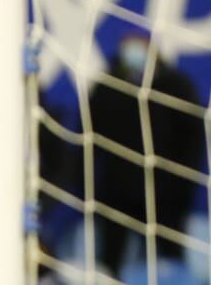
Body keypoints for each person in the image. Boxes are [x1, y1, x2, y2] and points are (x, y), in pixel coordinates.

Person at [86, 30, 204, 271]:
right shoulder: (107, 86)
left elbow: (193, 139)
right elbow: (89, 135)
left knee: (170, 258)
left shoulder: (176, 86)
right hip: (117, 190)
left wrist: (181, 184)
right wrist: (90, 184)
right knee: (110, 260)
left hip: (165, 192)